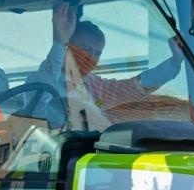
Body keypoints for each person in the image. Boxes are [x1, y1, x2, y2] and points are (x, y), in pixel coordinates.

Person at [57, 21, 185, 131]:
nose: (91, 57)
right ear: (68, 46)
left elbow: (136, 86)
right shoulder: (47, 79)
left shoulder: (96, 86)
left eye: (97, 53)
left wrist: (174, 62)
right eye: (85, 49)